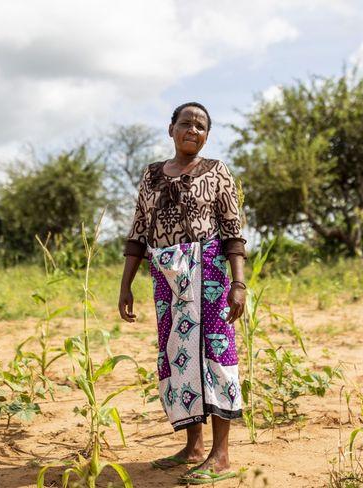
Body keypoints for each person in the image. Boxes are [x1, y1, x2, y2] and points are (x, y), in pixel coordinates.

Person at [118, 102, 247, 485]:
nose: (193, 129)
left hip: (207, 271)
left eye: (201, 126)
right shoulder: (152, 176)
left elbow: (232, 232)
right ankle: (192, 446)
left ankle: (220, 454)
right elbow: (139, 230)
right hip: (165, 277)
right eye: (186, 123)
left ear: (207, 135)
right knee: (177, 353)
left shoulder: (217, 172)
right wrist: (125, 284)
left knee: (216, 351)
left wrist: (237, 284)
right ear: (170, 128)